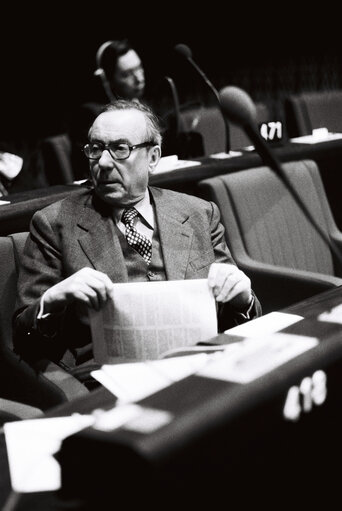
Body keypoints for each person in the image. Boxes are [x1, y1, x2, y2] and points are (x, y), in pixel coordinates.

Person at [13, 99, 261, 389]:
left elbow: (239, 317)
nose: (103, 163)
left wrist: (243, 299)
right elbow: (22, 336)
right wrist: (51, 302)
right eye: (95, 149)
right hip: (111, 380)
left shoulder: (198, 213)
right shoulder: (54, 223)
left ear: (153, 157)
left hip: (201, 365)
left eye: (120, 149)